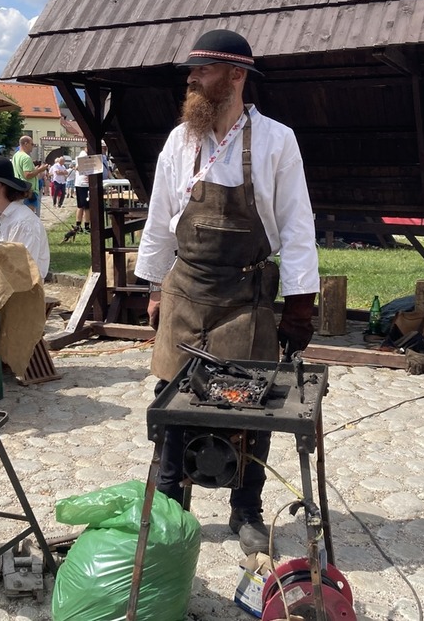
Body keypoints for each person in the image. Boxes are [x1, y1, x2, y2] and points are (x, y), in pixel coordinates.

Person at [134, 29, 320, 556]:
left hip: (246, 296)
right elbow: (159, 222)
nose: (192, 79)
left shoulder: (276, 140)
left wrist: (300, 305)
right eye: (192, 71)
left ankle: (246, 509)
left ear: (236, 76)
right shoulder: (180, 141)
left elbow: (298, 225)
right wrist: (153, 289)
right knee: (173, 397)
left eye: (204, 70)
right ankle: (170, 502)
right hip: (186, 290)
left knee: (248, 405)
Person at [12, 136, 46, 214]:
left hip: (19, 188)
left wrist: (35, 170)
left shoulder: (16, 156)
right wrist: (40, 170)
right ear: (26, 144)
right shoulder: (26, 157)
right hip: (28, 190)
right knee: (28, 215)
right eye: (32, 144)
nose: (33, 146)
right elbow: (27, 175)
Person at [74, 148, 91, 233]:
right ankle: (84, 226)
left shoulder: (85, 155)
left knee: (84, 205)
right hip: (83, 184)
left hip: (83, 184)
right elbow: (77, 167)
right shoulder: (83, 155)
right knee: (84, 206)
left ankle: (80, 225)